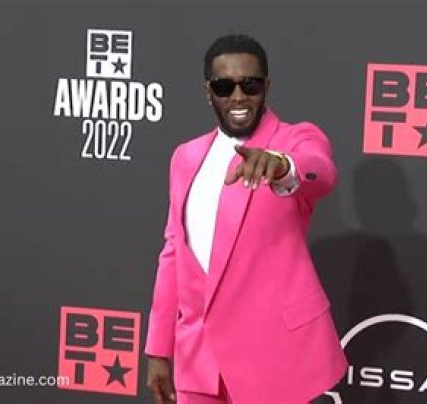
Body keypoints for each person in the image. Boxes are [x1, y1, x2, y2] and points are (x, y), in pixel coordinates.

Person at [145, 34, 347, 403]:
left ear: (266, 86)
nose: (238, 97)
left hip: (274, 357)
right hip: (198, 361)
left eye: (250, 85)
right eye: (224, 87)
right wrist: (159, 349)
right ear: (208, 92)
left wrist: (283, 166)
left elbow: (321, 172)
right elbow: (174, 254)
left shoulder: (294, 139)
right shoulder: (185, 157)